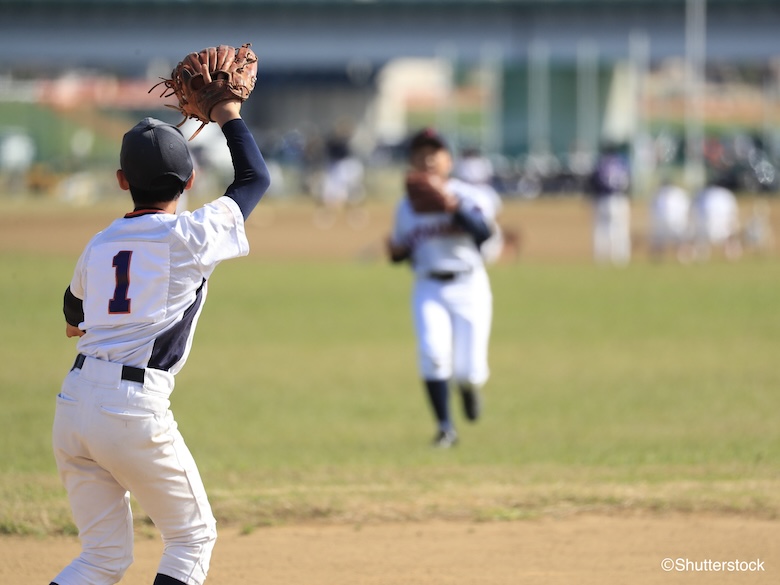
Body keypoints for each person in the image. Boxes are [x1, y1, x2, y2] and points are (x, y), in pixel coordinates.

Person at [51, 73, 271, 584]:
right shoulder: (190, 237)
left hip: (73, 405)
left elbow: (72, 316)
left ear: (122, 180)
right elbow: (254, 181)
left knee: (100, 558)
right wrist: (227, 114)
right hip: (130, 410)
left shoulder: (99, 243)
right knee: (192, 538)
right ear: (191, 181)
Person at [386, 128, 499, 448]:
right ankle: (445, 428)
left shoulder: (469, 195)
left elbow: (484, 234)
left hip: (469, 285)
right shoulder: (406, 207)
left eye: (434, 154)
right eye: (420, 155)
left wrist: (451, 205)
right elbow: (404, 252)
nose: (427, 160)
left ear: (448, 160)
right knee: (434, 354)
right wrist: (397, 253)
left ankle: (468, 389)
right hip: (429, 286)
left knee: (470, 372)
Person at [586, 144, 632, 266]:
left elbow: (592, 182)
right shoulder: (622, 163)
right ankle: (621, 258)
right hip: (620, 198)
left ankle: (601, 258)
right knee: (621, 228)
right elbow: (629, 181)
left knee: (601, 228)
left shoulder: (601, 164)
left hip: (602, 199)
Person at [690, 180, 742, 261]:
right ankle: (731, 253)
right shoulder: (727, 195)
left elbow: (695, 211)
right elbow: (733, 216)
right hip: (723, 229)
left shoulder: (703, 194)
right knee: (733, 226)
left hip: (706, 229)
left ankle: (701, 254)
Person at [648, 178, 691, 262]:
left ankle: (657, 258)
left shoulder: (658, 193)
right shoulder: (679, 192)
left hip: (661, 223)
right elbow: (686, 208)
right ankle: (683, 257)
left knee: (658, 238)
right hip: (677, 222)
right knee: (683, 236)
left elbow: (652, 209)